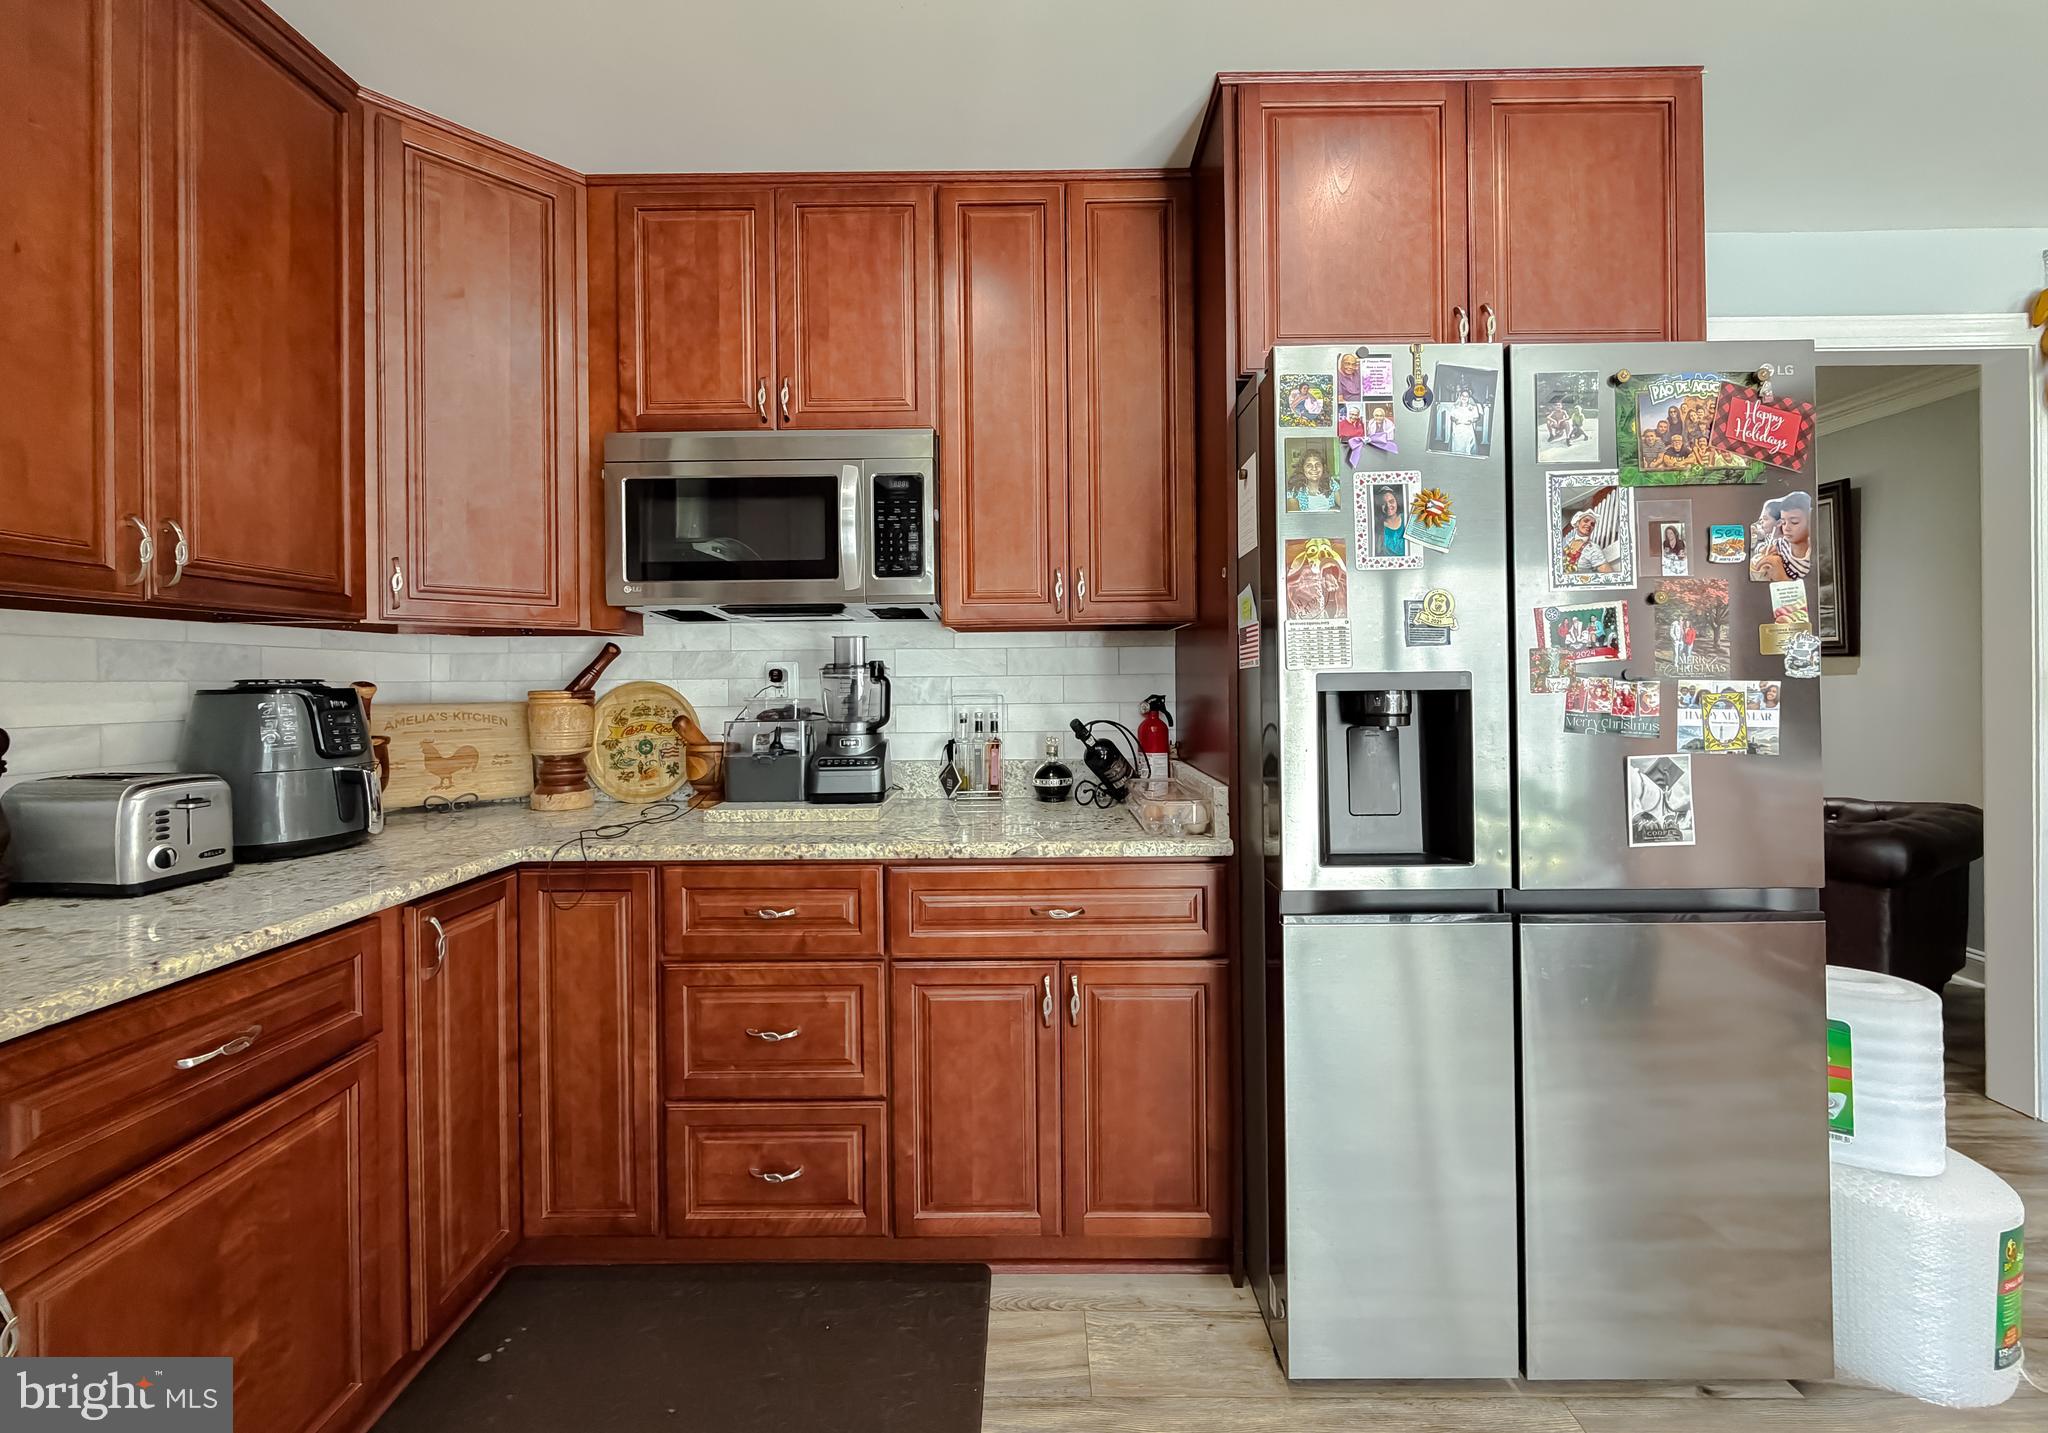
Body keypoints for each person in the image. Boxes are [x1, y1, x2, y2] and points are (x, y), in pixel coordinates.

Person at [1751, 490, 1813, 582]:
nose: (1786, 528)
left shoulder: (1812, 558)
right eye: (1784, 522)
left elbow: (1808, 588)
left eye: (1794, 522)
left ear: (1810, 522)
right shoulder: (1781, 544)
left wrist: (1782, 577)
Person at [1558, 504, 1621, 576]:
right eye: (1586, 521)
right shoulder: (1568, 543)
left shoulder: (1592, 549)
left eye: (1592, 524)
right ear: (1577, 523)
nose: (1589, 525)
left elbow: (1611, 576)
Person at [1285, 445, 1335, 512]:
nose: (1314, 468)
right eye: (1309, 465)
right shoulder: (1293, 491)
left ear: (1323, 467)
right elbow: (1295, 517)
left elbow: (1345, 505)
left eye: (1317, 464)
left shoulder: (1331, 483)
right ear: (1302, 469)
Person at [1444, 382, 1484, 456]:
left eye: (1466, 396)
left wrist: (1472, 420)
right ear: (1460, 396)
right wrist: (1455, 420)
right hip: (1458, 429)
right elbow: (1451, 417)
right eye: (1463, 395)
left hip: (1468, 429)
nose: (1464, 397)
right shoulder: (1455, 407)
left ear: (1469, 398)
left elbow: (1477, 417)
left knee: (1467, 446)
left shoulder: (1473, 407)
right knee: (1457, 445)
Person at [1375, 484, 1406, 557]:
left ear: (1397, 502)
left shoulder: (1406, 518)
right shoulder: (1377, 527)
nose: (1388, 506)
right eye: (1383, 503)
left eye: (1391, 501)